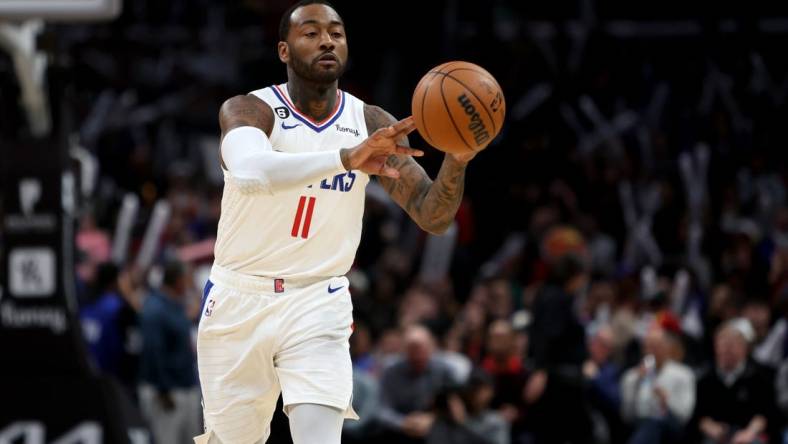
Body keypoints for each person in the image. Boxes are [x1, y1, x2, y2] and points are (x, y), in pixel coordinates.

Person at [195, 1, 475, 443]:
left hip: (317, 300)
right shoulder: (250, 110)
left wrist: (458, 158)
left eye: (336, 32)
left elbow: (433, 215)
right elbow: (251, 173)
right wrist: (346, 158)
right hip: (239, 298)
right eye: (311, 32)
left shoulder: (369, 122)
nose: (327, 40)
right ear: (284, 51)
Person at [139, 260, 201, 444]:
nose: (191, 283)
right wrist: (163, 390)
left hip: (185, 387)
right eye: (188, 278)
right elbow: (152, 350)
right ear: (179, 280)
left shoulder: (176, 304)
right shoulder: (155, 307)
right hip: (168, 394)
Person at [694, 319, 776, 444]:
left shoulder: (759, 377)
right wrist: (711, 427)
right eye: (723, 344)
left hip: (748, 434)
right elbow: (698, 415)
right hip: (716, 435)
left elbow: (765, 414)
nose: (727, 349)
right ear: (715, 347)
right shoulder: (705, 378)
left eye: (733, 345)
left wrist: (749, 433)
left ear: (745, 348)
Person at [377, 325, 457, 444]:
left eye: (420, 349)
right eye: (412, 350)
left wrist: (432, 420)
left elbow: (455, 407)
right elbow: (381, 409)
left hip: (435, 426)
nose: (417, 355)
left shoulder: (444, 370)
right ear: (403, 350)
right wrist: (403, 423)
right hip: (400, 429)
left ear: (431, 347)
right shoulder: (391, 372)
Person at [620, 326, 695, 444]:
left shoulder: (683, 374)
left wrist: (666, 401)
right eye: (648, 347)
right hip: (640, 424)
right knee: (648, 426)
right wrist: (636, 384)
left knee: (655, 421)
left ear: (667, 348)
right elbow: (626, 415)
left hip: (671, 426)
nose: (652, 351)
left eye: (657, 346)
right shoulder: (632, 376)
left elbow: (684, 416)